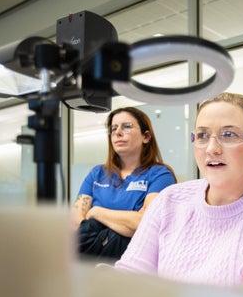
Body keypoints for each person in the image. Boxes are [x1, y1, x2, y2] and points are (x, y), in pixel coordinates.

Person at [114, 92, 243, 287]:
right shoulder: (171, 200)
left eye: (228, 134)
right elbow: (129, 278)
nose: (212, 148)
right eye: (202, 135)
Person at [72, 107, 176, 260]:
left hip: (135, 267)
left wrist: (96, 212)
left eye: (126, 127)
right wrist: (121, 228)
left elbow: (145, 224)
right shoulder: (96, 174)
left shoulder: (160, 175)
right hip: (87, 265)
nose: (118, 132)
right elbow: (75, 220)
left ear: (146, 136)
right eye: (113, 128)